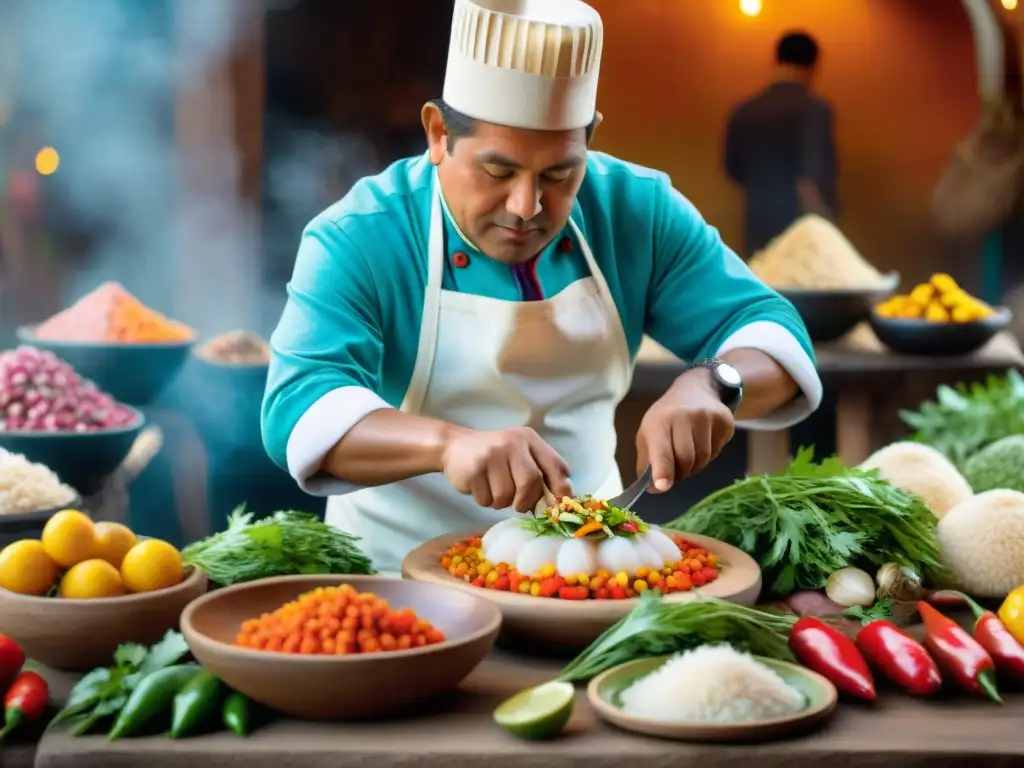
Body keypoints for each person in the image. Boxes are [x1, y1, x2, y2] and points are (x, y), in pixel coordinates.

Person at [262, 0, 823, 574]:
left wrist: (714, 384)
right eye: (498, 172)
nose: (526, 207)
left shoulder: (635, 210)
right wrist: (448, 444)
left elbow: (771, 331)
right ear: (438, 134)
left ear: (590, 141)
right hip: (397, 581)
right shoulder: (362, 234)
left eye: (559, 174)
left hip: (588, 569)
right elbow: (300, 406)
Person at [725, 31, 839, 256]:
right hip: (803, 233)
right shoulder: (814, 109)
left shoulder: (744, 111)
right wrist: (827, 232)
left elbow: (733, 171)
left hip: (756, 228)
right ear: (813, 66)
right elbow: (810, 176)